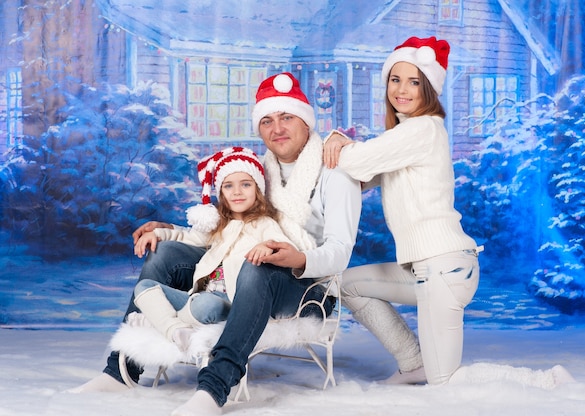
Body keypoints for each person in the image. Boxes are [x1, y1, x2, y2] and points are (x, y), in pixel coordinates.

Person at [72, 72, 362, 416]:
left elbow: (341, 252)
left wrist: (298, 258)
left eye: (287, 117)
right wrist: (167, 230)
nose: (277, 128)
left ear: (306, 119)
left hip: (307, 284)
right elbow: (232, 226)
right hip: (247, 260)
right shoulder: (261, 171)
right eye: (267, 120)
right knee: (164, 253)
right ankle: (122, 369)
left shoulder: (335, 169)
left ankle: (213, 387)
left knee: (258, 268)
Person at [323, 36, 481, 386]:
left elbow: (354, 160)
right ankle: (413, 362)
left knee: (447, 384)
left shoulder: (423, 129)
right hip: (424, 268)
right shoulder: (406, 136)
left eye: (414, 82)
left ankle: (543, 384)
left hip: (444, 267)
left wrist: (337, 139)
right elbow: (360, 176)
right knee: (348, 285)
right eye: (396, 79)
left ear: (429, 89)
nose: (402, 90)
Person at [129, 146, 297, 352]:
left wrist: (266, 246)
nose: (237, 192)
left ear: (258, 190)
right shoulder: (219, 224)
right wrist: (157, 234)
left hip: (229, 302)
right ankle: (175, 329)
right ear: (221, 192)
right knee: (145, 287)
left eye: (245, 184)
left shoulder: (264, 224)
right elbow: (187, 236)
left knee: (207, 305)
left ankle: (158, 322)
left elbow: (283, 247)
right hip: (198, 297)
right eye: (228, 186)